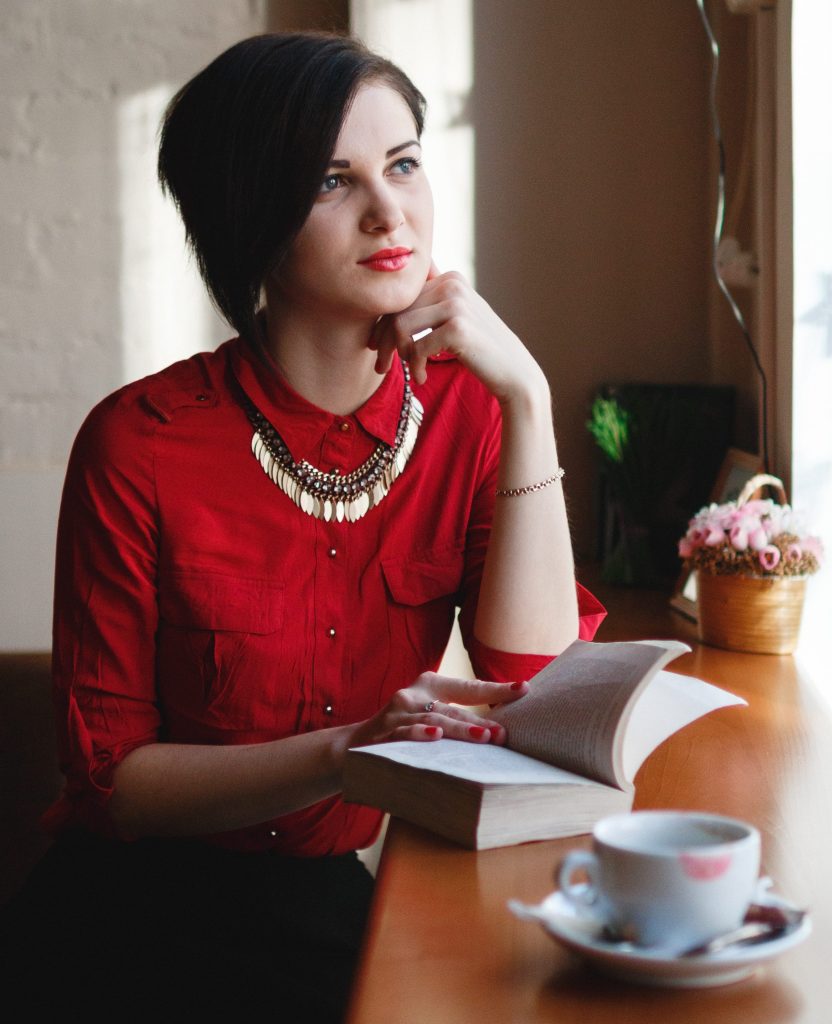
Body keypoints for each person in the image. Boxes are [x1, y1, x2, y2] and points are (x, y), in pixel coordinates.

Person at [0, 31, 604, 1020]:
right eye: (332, 181)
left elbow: (528, 681)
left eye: (402, 162)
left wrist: (530, 398)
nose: (389, 209)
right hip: (124, 923)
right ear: (251, 219)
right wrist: (344, 751)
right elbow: (112, 781)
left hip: (322, 905)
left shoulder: (474, 412)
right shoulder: (136, 443)